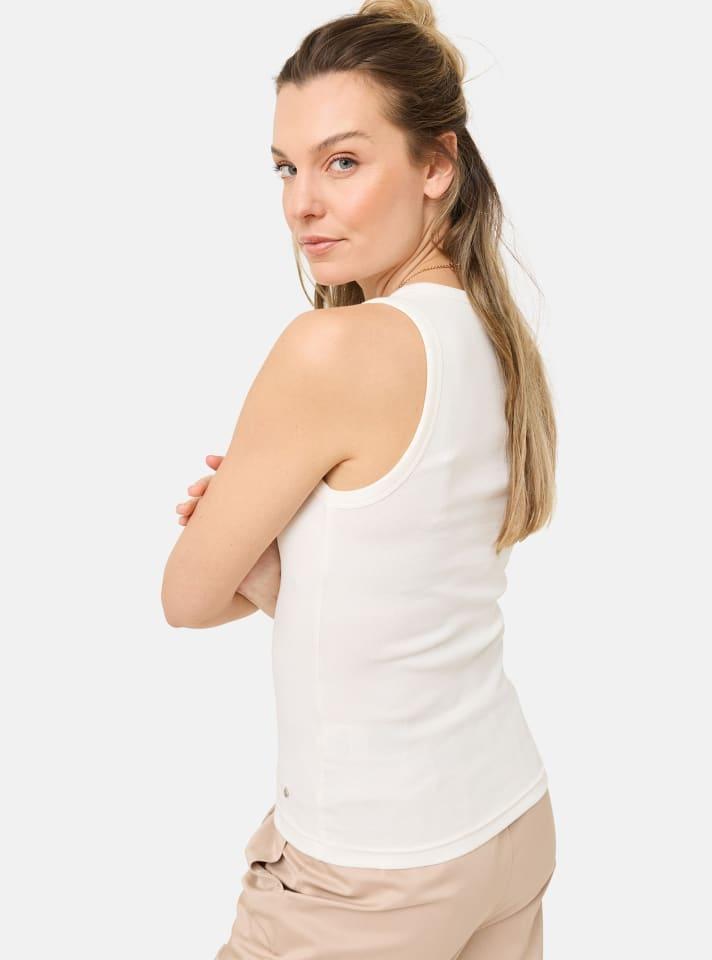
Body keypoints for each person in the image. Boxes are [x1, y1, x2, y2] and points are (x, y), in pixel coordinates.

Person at [163, 1, 559, 956]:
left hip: (370, 874)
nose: (303, 203)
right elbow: (408, 581)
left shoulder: (332, 349)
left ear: (436, 164)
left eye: (342, 161)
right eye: (286, 167)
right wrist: (289, 566)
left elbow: (186, 597)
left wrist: (248, 548)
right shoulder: (495, 334)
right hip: (505, 823)